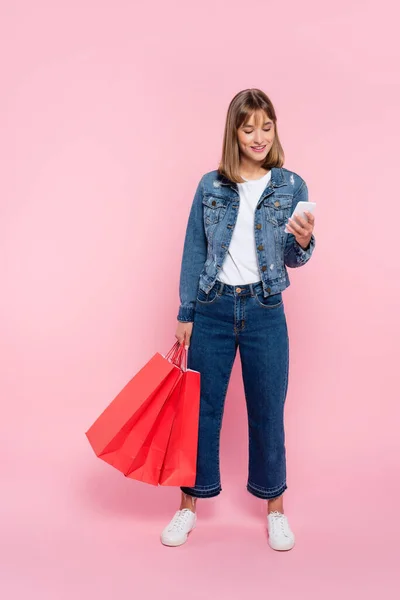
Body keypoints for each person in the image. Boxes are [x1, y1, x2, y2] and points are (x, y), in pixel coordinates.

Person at [160, 88, 316, 551]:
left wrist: (304, 242)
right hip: (212, 309)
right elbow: (194, 250)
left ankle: (276, 511)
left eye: (266, 127)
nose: (258, 136)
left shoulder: (292, 186)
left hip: (266, 309)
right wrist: (186, 312)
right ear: (234, 131)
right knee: (201, 412)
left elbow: (292, 257)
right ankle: (188, 507)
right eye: (249, 128)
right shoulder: (211, 185)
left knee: (268, 410)